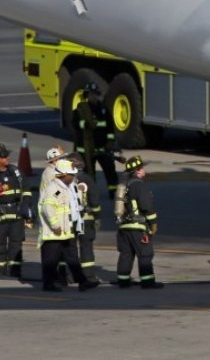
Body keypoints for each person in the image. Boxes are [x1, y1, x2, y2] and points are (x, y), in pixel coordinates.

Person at [37, 158, 99, 293]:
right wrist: (55, 225)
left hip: (66, 231)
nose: (73, 177)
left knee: (72, 258)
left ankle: (82, 282)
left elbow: (75, 202)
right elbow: (48, 207)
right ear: (63, 175)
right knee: (50, 260)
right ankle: (48, 284)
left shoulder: (67, 187)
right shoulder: (55, 189)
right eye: (71, 175)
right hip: (54, 233)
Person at [0, 142, 35, 280]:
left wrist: (25, 207)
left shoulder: (16, 173)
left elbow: (27, 190)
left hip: (16, 215)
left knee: (16, 244)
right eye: (4, 157)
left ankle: (15, 270)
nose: (7, 159)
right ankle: (0, 270)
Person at [115, 155, 163, 289]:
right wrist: (153, 224)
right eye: (142, 168)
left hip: (124, 227)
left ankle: (123, 281)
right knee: (145, 254)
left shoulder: (125, 185)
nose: (144, 171)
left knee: (126, 254)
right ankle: (148, 282)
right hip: (138, 227)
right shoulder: (139, 186)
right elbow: (146, 206)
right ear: (137, 171)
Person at [73, 82, 120, 198]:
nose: (93, 97)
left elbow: (110, 128)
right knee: (89, 173)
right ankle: (90, 195)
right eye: (90, 94)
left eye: (95, 94)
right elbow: (76, 126)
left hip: (103, 148)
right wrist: (86, 123)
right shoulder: (80, 110)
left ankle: (113, 192)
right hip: (87, 150)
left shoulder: (103, 110)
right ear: (86, 95)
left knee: (110, 171)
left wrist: (110, 142)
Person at [71, 154, 101, 278]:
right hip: (86, 219)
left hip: (70, 220)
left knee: (70, 248)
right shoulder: (87, 179)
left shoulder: (65, 180)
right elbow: (94, 201)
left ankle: (71, 275)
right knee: (86, 247)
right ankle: (88, 275)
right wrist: (97, 217)